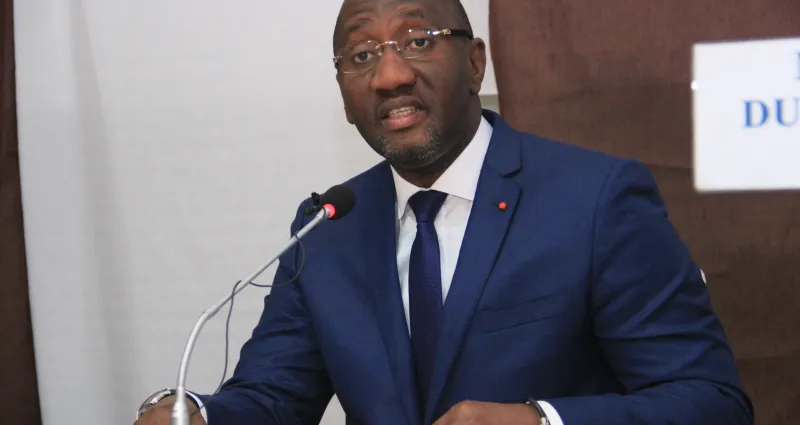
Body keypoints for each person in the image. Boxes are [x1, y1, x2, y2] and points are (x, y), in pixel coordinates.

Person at [135, 0, 754, 424]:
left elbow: (711, 402)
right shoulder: (328, 225)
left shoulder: (595, 199)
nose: (389, 76)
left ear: (475, 62)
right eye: (361, 55)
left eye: (418, 41)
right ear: (344, 97)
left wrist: (543, 420)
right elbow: (275, 398)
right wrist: (196, 414)